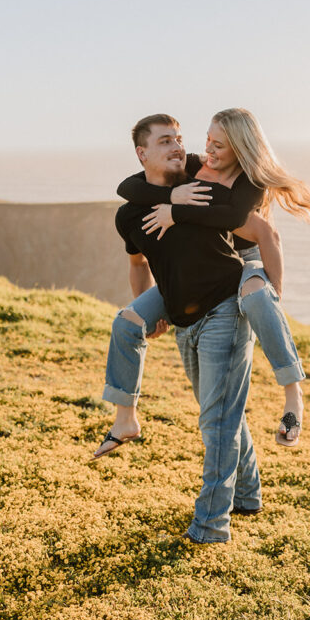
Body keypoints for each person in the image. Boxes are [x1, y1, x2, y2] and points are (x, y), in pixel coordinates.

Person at [95, 108, 310, 458]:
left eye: (218, 145)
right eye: (207, 139)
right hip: (198, 274)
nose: (206, 149)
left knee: (255, 301)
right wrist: (171, 197)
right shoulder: (194, 169)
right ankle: (125, 418)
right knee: (128, 323)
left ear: (239, 148)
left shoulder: (248, 183)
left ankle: (292, 395)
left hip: (245, 261)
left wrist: (273, 296)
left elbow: (257, 229)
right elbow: (128, 187)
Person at [108, 113, 263, 542]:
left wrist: (179, 201)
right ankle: (247, 494)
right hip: (183, 317)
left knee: (217, 421)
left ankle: (211, 525)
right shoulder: (129, 215)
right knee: (221, 411)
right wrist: (148, 311)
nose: (179, 146)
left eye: (179, 138)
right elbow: (139, 263)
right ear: (142, 153)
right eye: (165, 141)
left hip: (227, 307)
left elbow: (249, 221)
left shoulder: (201, 185)